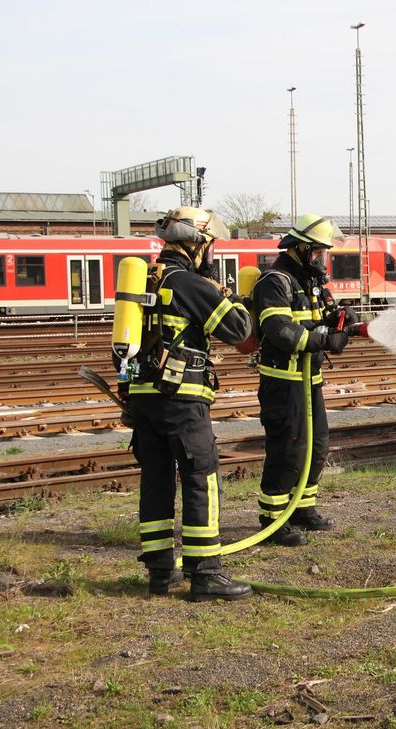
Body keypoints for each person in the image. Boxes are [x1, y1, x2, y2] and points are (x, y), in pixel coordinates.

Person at [126, 206, 254, 600]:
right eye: (210, 246)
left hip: (143, 398)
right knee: (201, 477)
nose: (212, 254)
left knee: (156, 478)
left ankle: (159, 573)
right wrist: (226, 293)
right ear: (196, 244)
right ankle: (205, 574)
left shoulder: (145, 278)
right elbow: (239, 330)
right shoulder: (189, 283)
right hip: (181, 399)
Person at [251, 213, 357, 546]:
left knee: (317, 445)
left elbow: (324, 315)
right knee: (288, 449)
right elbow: (280, 330)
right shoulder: (275, 282)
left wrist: (343, 317)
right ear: (299, 247)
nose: (321, 259)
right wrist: (324, 341)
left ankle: (302, 508)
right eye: (317, 252)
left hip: (310, 379)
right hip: (284, 382)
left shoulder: (310, 282)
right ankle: (272, 520)